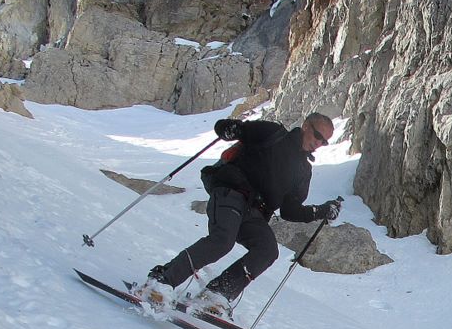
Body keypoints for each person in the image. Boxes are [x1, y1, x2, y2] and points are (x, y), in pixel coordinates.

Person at [137, 112, 342, 316]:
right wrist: (229, 129)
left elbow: (289, 210)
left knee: (267, 250)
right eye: (317, 136)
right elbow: (232, 128)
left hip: (255, 213)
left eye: (324, 142)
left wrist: (321, 211)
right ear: (306, 126)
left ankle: (216, 294)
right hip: (231, 192)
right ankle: (162, 280)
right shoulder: (273, 133)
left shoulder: (303, 170)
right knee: (222, 241)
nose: (319, 143)